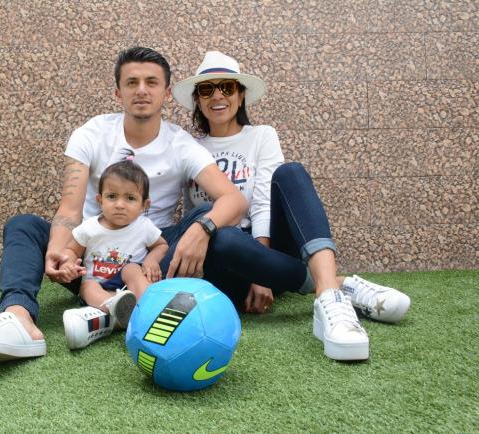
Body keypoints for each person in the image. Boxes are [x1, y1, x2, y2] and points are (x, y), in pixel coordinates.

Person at [0, 46, 247, 364]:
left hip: (150, 260)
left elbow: (234, 199)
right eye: (131, 82)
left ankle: (110, 314)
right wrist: (61, 252)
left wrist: (202, 230)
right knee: (23, 226)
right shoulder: (92, 133)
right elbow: (70, 209)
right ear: (118, 92)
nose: (141, 90)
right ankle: (19, 320)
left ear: (167, 93)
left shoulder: (181, 143)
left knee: (203, 214)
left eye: (151, 82)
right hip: (91, 257)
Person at [171, 51, 411, 361]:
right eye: (207, 89)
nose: (217, 96)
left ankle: (329, 298)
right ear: (198, 100)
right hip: (224, 261)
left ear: (241, 96)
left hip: (269, 249)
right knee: (224, 238)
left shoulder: (261, 136)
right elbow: (190, 214)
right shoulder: (190, 147)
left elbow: (262, 203)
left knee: (291, 173)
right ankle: (339, 286)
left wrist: (262, 274)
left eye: (227, 87)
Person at [59, 157, 168, 350]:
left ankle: (146, 310)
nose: (119, 204)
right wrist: (68, 264)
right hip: (99, 288)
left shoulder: (144, 227)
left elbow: (161, 245)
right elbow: (71, 250)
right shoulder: (89, 227)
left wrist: (151, 259)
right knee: (87, 286)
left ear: (144, 205)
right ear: (99, 200)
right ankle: (115, 311)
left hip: (130, 288)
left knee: (133, 268)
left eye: (130, 198)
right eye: (112, 196)